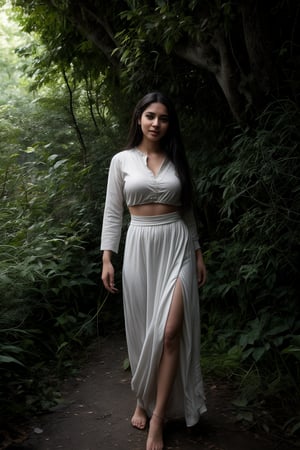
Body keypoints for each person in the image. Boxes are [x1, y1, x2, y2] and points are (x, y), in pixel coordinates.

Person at [101, 92, 207, 450]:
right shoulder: (122, 161)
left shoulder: (178, 160)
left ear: (169, 123)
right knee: (145, 331)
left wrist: (198, 252)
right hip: (139, 247)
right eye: (150, 116)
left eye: (162, 118)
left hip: (176, 244)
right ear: (139, 119)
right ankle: (142, 398)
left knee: (171, 331)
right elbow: (113, 211)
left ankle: (158, 418)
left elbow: (187, 210)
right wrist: (107, 257)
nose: (156, 123)